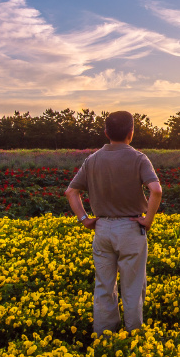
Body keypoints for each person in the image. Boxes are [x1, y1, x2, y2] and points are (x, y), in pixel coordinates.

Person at [65, 110, 162, 335]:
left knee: (103, 287)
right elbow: (156, 190)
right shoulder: (138, 158)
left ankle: (103, 337)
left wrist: (84, 219)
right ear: (131, 133)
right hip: (130, 228)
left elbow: (71, 192)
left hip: (102, 229)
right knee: (133, 288)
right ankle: (133, 337)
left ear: (106, 132)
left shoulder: (92, 159)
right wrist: (147, 220)